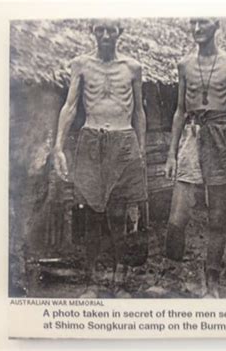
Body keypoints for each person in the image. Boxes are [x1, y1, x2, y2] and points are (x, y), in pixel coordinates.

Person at [53, 19, 148, 298]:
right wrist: (58, 145)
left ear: (121, 31)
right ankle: (91, 282)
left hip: (123, 140)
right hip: (92, 140)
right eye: (99, 29)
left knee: (119, 214)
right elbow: (70, 106)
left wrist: (140, 149)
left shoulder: (133, 68)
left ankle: (120, 280)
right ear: (91, 31)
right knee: (92, 215)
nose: (105, 35)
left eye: (111, 29)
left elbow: (139, 111)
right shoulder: (80, 64)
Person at [164, 17, 226, 297]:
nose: (197, 28)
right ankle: (171, 276)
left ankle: (212, 281)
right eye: (193, 22)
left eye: (204, 22)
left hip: (221, 136)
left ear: (217, 25)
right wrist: (172, 154)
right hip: (191, 135)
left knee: (217, 218)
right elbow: (178, 109)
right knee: (177, 216)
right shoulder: (184, 65)